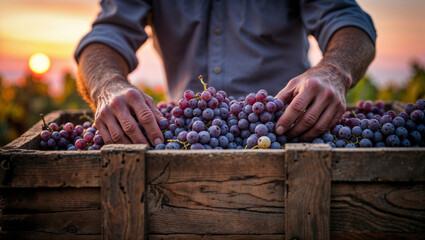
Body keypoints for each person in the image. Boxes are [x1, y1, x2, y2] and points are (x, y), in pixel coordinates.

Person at [75, 0, 376, 146]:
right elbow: (107, 33)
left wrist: (334, 70)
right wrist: (107, 85)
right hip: (182, 142)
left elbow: (348, 21)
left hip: (289, 134)